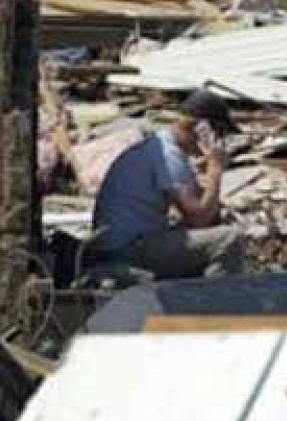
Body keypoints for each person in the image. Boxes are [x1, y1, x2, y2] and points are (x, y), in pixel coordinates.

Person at [90, 89, 246, 279]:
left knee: (205, 236)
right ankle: (216, 297)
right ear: (202, 128)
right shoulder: (169, 155)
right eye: (219, 133)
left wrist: (208, 173)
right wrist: (215, 169)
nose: (221, 141)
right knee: (228, 239)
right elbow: (199, 220)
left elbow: (206, 214)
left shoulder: (164, 149)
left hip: (127, 244)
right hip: (126, 249)